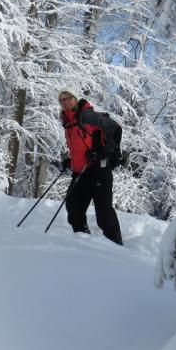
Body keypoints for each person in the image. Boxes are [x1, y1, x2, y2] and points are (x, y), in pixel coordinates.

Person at [58, 88, 123, 246]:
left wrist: (103, 151)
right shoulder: (68, 120)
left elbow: (115, 128)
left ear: (75, 98)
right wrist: (71, 160)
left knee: (103, 212)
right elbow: (82, 145)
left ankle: (116, 247)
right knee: (73, 208)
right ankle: (83, 243)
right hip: (80, 171)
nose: (65, 102)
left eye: (68, 98)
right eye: (62, 99)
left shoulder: (86, 115)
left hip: (99, 169)